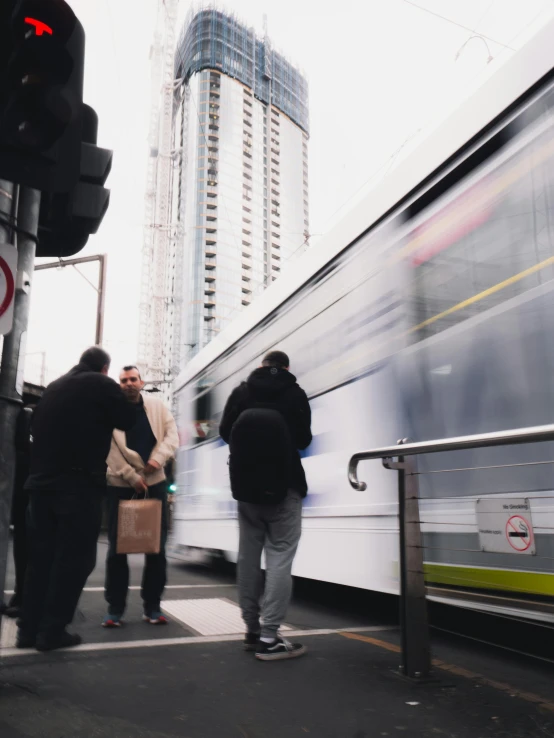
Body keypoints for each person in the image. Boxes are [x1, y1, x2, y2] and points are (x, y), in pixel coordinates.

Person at [17, 347, 135, 651]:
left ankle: (27, 630)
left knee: (40, 560)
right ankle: (52, 631)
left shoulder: (54, 387)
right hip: (77, 487)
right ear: (105, 369)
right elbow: (127, 421)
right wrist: (130, 396)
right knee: (75, 560)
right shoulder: (102, 384)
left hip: (40, 488)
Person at [220, 350, 312, 661]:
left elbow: (224, 433)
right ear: (286, 367)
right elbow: (303, 440)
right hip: (285, 487)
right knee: (279, 559)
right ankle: (270, 636)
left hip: (246, 491)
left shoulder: (241, 391)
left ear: (262, 366)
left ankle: (251, 630)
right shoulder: (295, 393)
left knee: (248, 557)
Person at [103, 366, 178, 627]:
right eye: (123, 380)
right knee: (117, 549)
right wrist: (130, 476)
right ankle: (115, 609)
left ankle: (153, 607)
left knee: (156, 548)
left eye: (133, 379)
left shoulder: (157, 406)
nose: (128, 383)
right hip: (120, 484)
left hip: (155, 482)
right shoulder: (110, 411)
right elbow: (107, 448)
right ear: (118, 384)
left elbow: (171, 435)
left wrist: (158, 459)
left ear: (141, 382)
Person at [4, 403, 34, 619]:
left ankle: (23, 596)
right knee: (25, 548)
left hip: (25, 496)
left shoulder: (27, 416)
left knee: (25, 549)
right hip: (26, 496)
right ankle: (22, 595)